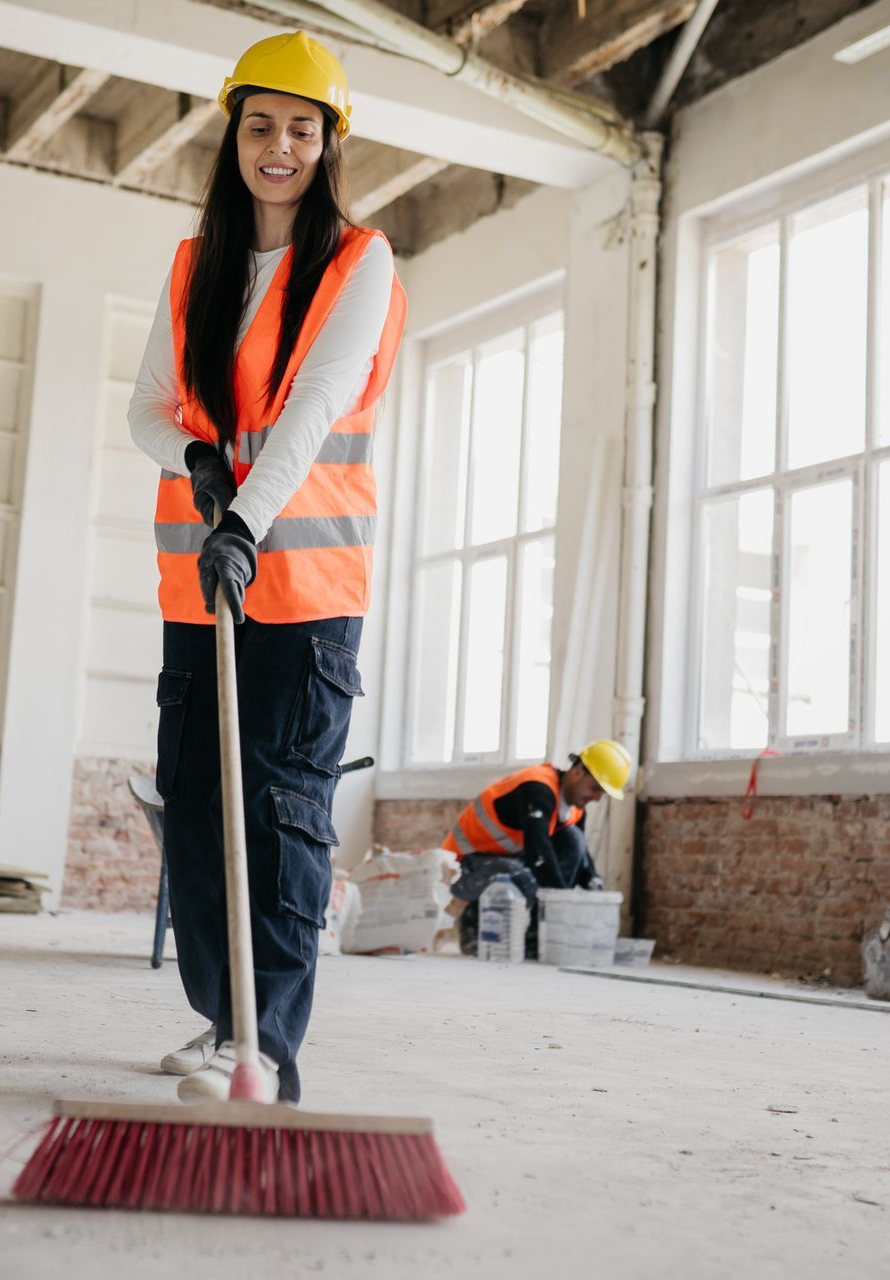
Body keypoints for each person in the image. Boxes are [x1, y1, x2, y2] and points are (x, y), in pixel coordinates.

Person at [128, 30, 405, 1105]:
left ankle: (273, 1051)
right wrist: (192, 455)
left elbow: (314, 409)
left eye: (301, 128)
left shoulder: (358, 260)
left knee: (283, 815)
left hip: (307, 591)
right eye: (259, 126)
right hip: (201, 591)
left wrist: (243, 518)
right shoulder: (196, 263)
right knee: (194, 807)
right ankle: (224, 1016)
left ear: (329, 142)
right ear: (231, 134)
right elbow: (146, 405)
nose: (278, 146)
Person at [442, 739, 634, 956]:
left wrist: (594, 890)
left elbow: (581, 859)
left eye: (603, 793)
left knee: (574, 839)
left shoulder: (574, 810)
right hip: (462, 868)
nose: (597, 798)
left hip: (506, 862)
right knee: (520, 874)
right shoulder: (537, 788)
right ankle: (476, 936)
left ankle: (538, 939)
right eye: (596, 788)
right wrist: (564, 903)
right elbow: (538, 854)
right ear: (578, 772)